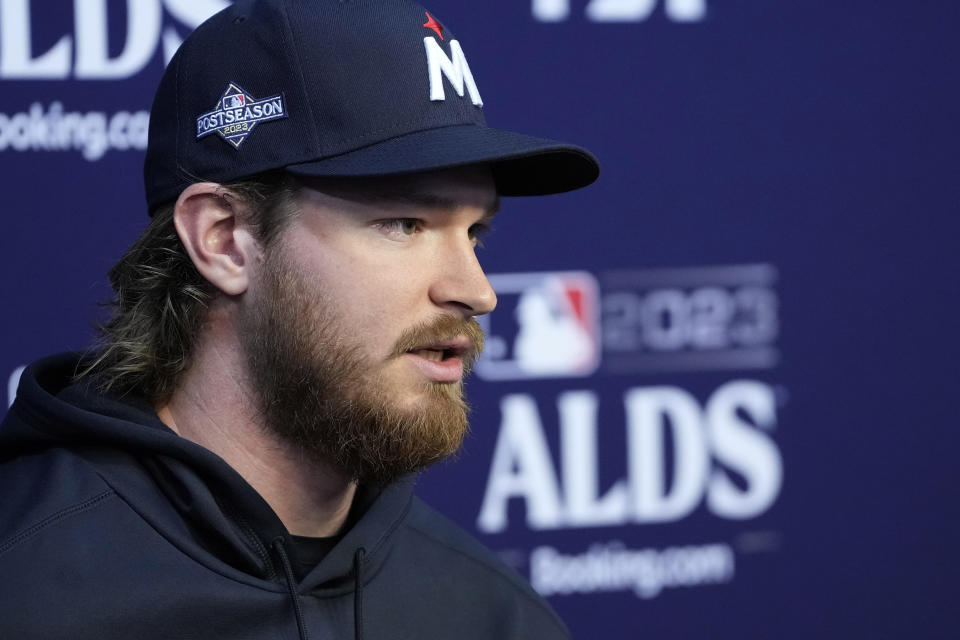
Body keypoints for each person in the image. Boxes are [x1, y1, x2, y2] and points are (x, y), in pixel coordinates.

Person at [0, 1, 598, 638]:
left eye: (474, 232)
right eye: (405, 224)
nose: (477, 292)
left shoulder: (495, 615)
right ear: (225, 239)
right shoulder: (24, 588)